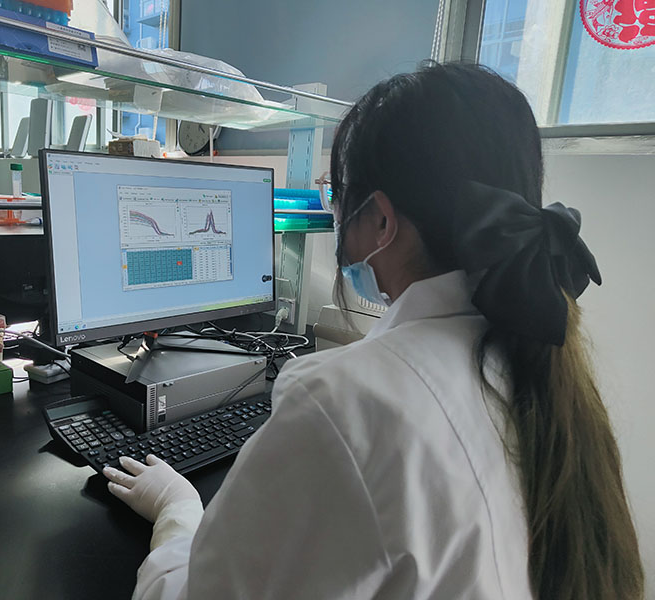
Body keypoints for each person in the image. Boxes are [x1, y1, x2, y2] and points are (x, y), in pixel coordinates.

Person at [102, 62, 644, 599]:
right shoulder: (534, 358)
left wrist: (177, 513)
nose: (336, 217)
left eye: (336, 199)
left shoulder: (341, 400)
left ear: (382, 221)